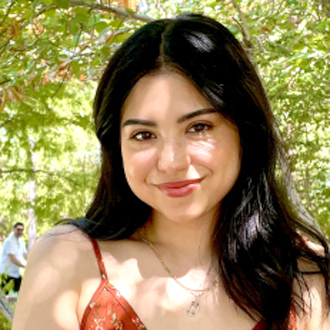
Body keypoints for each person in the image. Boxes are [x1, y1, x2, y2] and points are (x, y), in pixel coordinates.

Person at [12, 13, 330, 330]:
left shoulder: (303, 276)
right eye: (144, 135)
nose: (172, 162)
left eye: (199, 127)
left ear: (245, 131)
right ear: (116, 146)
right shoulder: (67, 260)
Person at [0, 222, 27, 294]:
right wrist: (24, 266)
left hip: (16, 273)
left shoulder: (21, 241)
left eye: (21, 230)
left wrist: (30, 262)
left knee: (22, 292)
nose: (20, 232)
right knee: (5, 296)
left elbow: (25, 254)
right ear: (14, 229)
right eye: (18, 229)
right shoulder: (9, 241)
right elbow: (12, 258)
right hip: (6, 274)